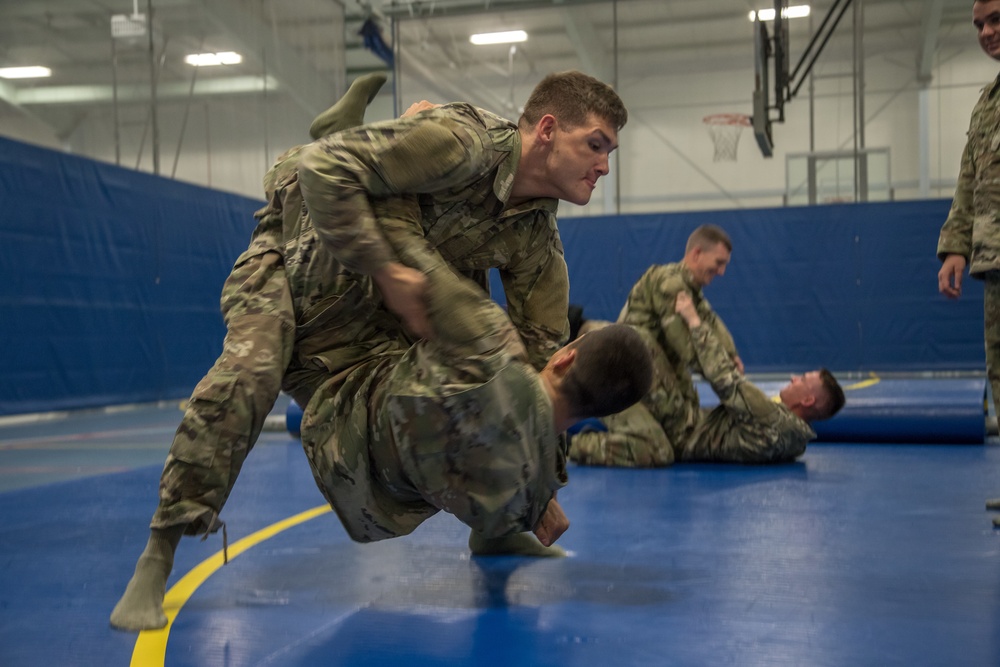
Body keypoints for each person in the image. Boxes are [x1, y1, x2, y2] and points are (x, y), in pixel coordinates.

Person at [110, 70, 629, 631]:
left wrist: (535, 494)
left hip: (378, 318)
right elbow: (321, 172)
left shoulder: (536, 242)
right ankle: (158, 553)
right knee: (249, 377)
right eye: (594, 145)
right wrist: (385, 266)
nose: (603, 165)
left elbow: (537, 372)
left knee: (484, 381)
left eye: (610, 152)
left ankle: (494, 530)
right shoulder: (464, 144)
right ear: (548, 129)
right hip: (298, 258)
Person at [571, 291, 844, 467]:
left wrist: (693, 320)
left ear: (808, 400)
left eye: (803, 379)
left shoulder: (774, 419)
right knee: (649, 349)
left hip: (682, 428)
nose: (794, 378)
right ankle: (583, 345)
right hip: (688, 417)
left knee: (640, 349)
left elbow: (722, 378)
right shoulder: (796, 441)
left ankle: (575, 332)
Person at [568, 224, 743, 467]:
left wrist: (731, 355)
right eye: (719, 262)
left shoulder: (690, 292)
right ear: (697, 253)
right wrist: (727, 378)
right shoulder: (670, 285)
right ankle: (569, 446)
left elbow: (712, 322)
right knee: (657, 450)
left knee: (681, 427)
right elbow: (689, 352)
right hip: (611, 378)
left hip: (638, 379)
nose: (722, 271)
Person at [936, 0, 1000, 528]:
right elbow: (968, 181)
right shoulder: (988, 102)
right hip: (993, 260)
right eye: (979, 23)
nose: (986, 31)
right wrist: (956, 244)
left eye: (996, 18)